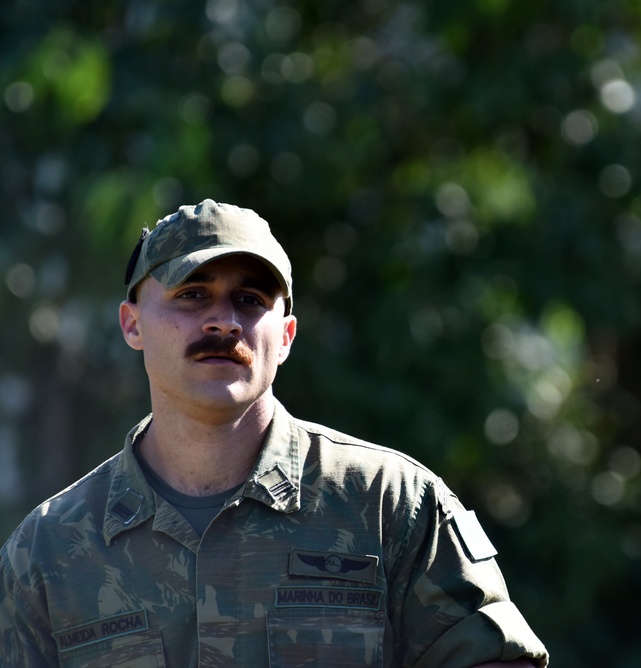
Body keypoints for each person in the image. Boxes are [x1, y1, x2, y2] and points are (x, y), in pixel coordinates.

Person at [0, 199, 548, 667]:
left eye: (251, 300)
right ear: (132, 324)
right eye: (191, 294)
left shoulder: (390, 506)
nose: (223, 321)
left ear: (285, 336)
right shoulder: (48, 551)